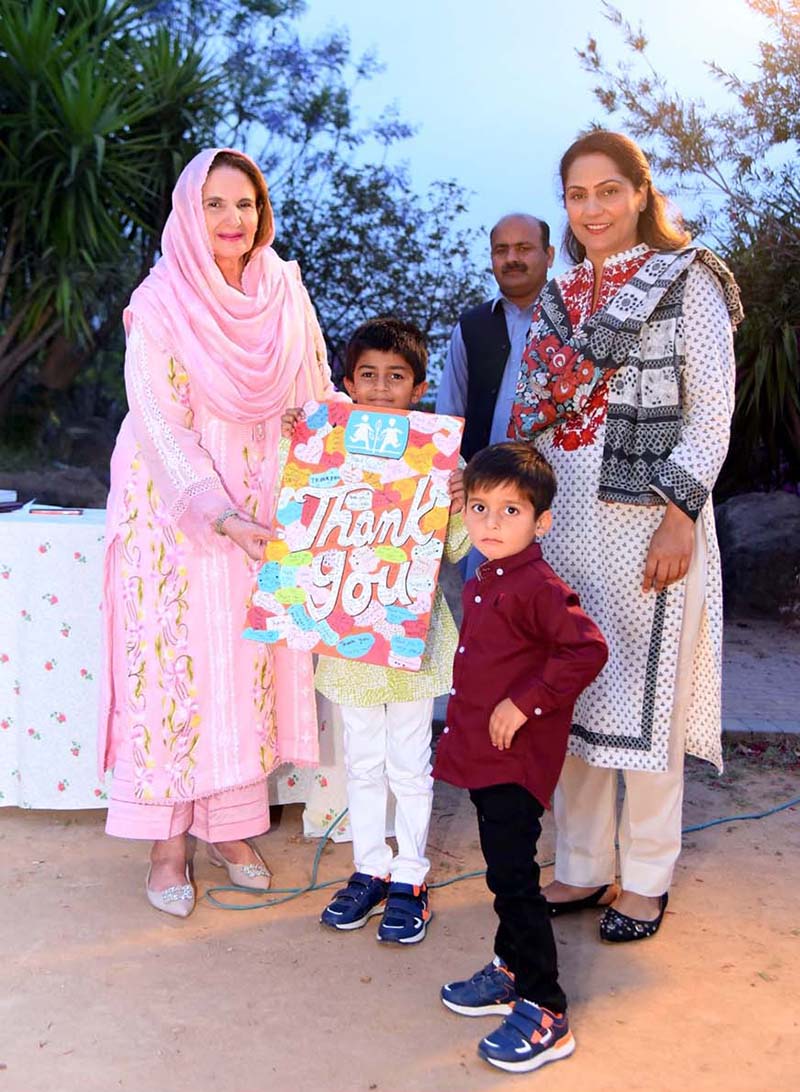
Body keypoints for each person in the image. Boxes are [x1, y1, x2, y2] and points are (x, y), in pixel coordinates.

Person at [509, 130, 743, 941]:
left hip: (650, 520)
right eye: (578, 195)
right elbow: (534, 416)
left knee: (648, 707)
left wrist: (680, 515)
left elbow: (711, 409)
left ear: (641, 193)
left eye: (610, 190)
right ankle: (579, 866)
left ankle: (646, 877)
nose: (594, 208)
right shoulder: (561, 292)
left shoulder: (689, 282)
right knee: (570, 698)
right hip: (564, 519)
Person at [98, 148, 338, 917]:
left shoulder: (285, 292)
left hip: (263, 515)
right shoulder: (163, 300)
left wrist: (359, 472)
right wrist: (218, 513)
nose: (234, 220)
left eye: (246, 204)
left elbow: (315, 395)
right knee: (177, 668)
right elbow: (159, 423)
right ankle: (169, 844)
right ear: (187, 212)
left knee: (245, 669)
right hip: (178, 514)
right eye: (215, 204)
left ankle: (230, 827)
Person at [284, 317, 470, 944]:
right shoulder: (328, 448)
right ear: (349, 383)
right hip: (347, 642)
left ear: (419, 387)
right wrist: (304, 448)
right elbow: (301, 527)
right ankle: (369, 867)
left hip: (411, 642)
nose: (383, 387)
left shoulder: (442, 459)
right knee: (361, 764)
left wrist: (462, 496)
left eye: (397, 377)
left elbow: (456, 550)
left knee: (409, 767)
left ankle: (410, 877)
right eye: (370, 376)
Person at [434, 442, 608, 1074]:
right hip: (486, 758)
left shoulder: (539, 585)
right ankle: (510, 968)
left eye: (510, 511)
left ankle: (545, 1006)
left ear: (543, 522)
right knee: (501, 871)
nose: (490, 523)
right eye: (479, 508)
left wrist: (526, 703)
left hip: (515, 759)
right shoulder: (487, 574)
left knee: (513, 879)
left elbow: (586, 650)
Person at [436, 213, 554, 462]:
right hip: (483, 486)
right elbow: (447, 417)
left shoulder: (573, 321)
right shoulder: (471, 327)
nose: (512, 259)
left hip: (561, 485)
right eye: (501, 250)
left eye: (524, 248)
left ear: (550, 255)